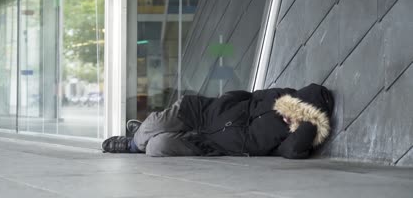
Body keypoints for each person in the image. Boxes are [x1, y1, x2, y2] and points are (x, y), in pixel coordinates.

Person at [102, 83, 334, 159]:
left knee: (156, 147)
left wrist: (309, 124)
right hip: (203, 112)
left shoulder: (290, 139)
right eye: (295, 106)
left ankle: (141, 136)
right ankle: (132, 142)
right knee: (155, 125)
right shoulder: (278, 95)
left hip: (208, 143)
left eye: (301, 114)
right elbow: (245, 95)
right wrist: (222, 104)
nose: (291, 113)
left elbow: (293, 150)